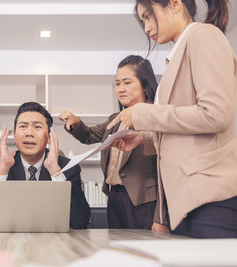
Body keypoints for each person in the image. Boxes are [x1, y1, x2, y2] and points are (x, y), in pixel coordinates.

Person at [108, 0, 237, 238]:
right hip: (187, 204)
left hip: (209, 199)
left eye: (148, 16)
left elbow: (216, 114)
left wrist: (142, 114)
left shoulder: (203, 36)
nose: (146, 28)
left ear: (175, 3)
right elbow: (186, 129)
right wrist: (144, 138)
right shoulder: (178, 56)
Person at [59, 55, 167, 231]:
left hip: (146, 202)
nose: (121, 89)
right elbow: (88, 135)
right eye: (117, 83)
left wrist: (161, 217)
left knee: (146, 254)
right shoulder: (115, 120)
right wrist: (76, 122)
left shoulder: (157, 116)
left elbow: (167, 171)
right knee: (120, 252)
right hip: (115, 198)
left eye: (127, 82)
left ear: (144, 84)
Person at [0, 102, 91, 229]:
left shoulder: (67, 167)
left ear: (49, 137)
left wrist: (55, 171)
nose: (29, 133)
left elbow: (80, 221)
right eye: (23, 126)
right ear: (14, 135)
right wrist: (3, 170)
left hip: (53, 242)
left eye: (37, 127)